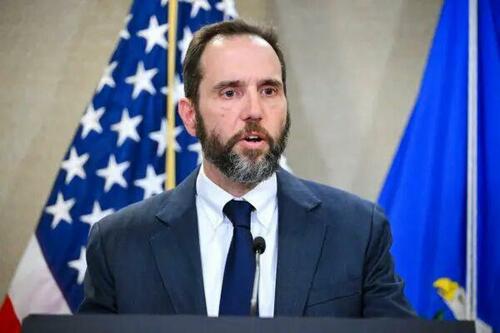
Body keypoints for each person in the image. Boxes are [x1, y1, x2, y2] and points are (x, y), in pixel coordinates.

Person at [78, 19, 415, 317]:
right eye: (230, 92)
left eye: (269, 90)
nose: (254, 110)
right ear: (190, 115)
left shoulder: (358, 231)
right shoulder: (118, 244)